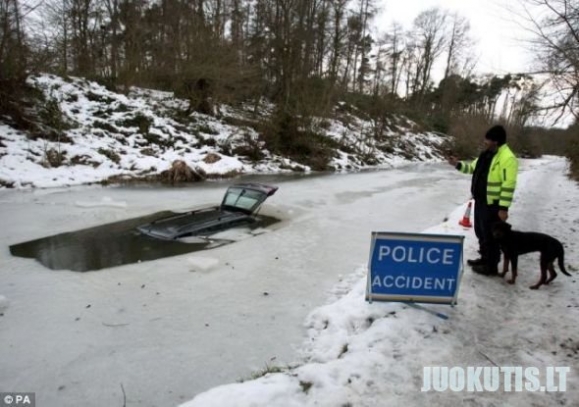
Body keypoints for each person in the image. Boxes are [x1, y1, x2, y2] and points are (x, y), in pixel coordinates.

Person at [448, 125, 518, 275]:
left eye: (487, 139)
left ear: (496, 141)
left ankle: (491, 266)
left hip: (493, 205)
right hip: (480, 202)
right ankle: (484, 258)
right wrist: (457, 164)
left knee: (490, 236)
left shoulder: (507, 158)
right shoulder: (485, 154)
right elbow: (471, 169)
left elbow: (509, 184)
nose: (484, 141)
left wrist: (503, 208)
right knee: (481, 232)